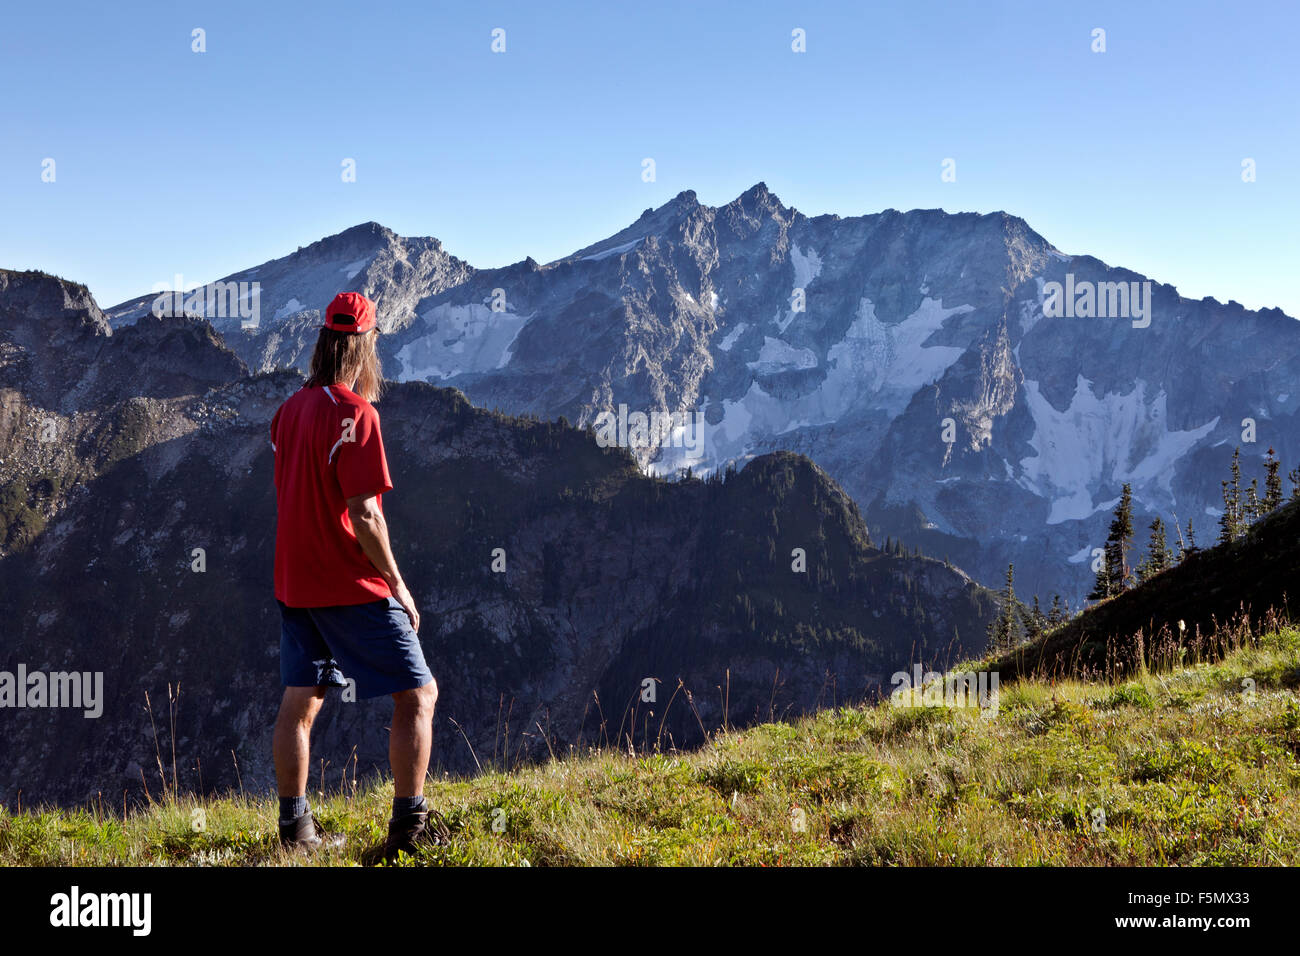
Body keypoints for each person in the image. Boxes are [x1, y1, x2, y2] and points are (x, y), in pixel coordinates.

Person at [269, 291, 442, 861]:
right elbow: (365, 514)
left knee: (302, 701)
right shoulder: (357, 415)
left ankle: (295, 832)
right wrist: (396, 582)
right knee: (418, 693)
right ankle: (409, 828)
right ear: (365, 345)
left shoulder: (289, 411)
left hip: (295, 583)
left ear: (323, 340)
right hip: (348, 581)